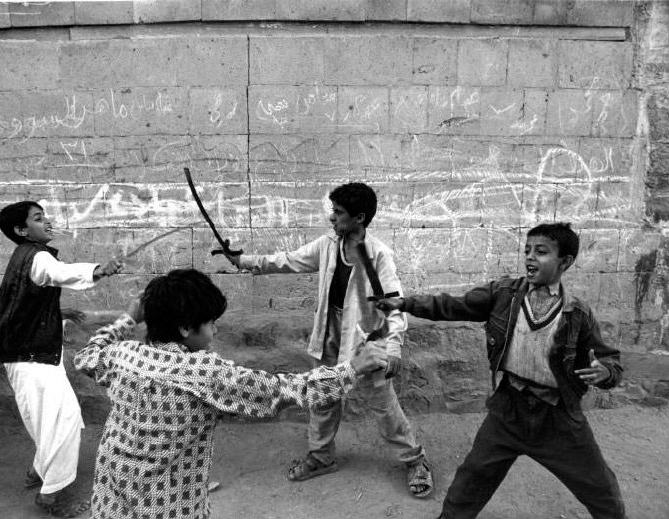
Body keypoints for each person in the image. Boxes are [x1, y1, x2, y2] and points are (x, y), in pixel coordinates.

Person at [73, 268, 388, 519]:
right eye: (211, 323)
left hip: (112, 498)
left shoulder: (122, 355)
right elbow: (287, 390)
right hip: (167, 507)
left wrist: (128, 318)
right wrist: (351, 369)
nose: (214, 331)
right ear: (185, 327)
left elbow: (87, 355)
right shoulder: (205, 374)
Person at [377, 222, 625, 519]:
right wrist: (404, 303)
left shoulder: (577, 314)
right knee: (471, 480)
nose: (530, 257)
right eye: (527, 250)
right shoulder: (504, 294)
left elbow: (611, 360)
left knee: (600, 490)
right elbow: (452, 305)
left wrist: (605, 373)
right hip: (508, 410)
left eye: (541, 252)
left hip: (557, 419)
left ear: (565, 262)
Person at [222, 182, 433, 498]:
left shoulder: (378, 256)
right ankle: (321, 456)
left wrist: (392, 348)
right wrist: (246, 261)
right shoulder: (328, 245)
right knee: (323, 395)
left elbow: (395, 303)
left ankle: (415, 460)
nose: (332, 218)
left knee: (383, 404)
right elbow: (290, 259)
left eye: (339, 213)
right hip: (330, 331)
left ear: (359, 218)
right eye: (332, 211)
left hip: (366, 339)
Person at [0, 201, 122, 518]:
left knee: (56, 419)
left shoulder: (25, 258)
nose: (47, 222)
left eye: (44, 216)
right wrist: (97, 270)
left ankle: (38, 470)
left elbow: (24, 302)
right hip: (30, 358)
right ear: (22, 231)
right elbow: (57, 273)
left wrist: (58, 313)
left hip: (29, 355)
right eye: (38, 219)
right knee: (61, 422)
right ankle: (52, 495)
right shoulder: (36, 257)